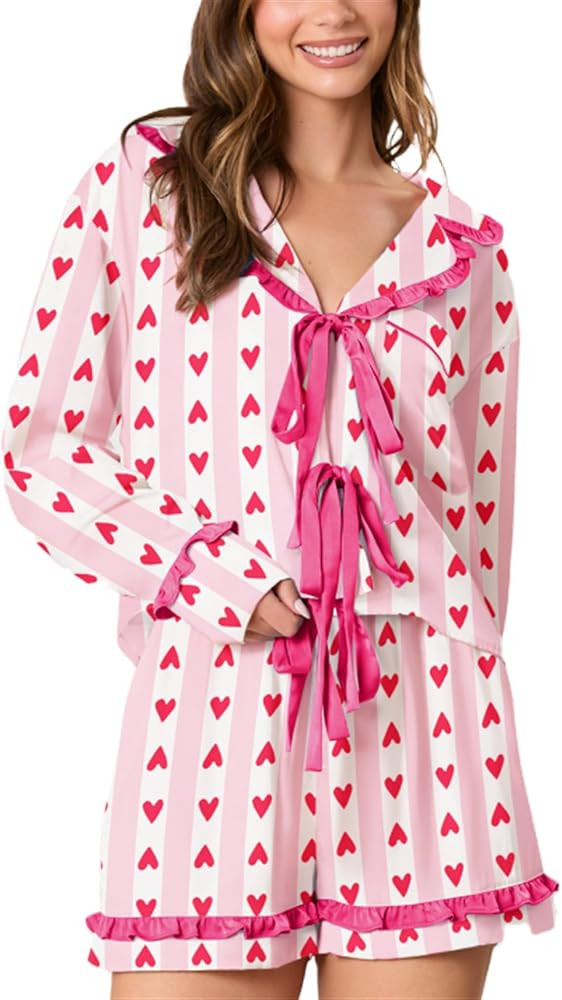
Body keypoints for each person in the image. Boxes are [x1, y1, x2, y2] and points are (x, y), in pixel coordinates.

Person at [2, 1, 559, 998]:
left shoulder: (464, 254)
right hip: (213, 709)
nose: (332, 11)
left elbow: (479, 542)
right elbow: (43, 448)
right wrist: (220, 578)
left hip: (425, 721)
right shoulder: (144, 192)